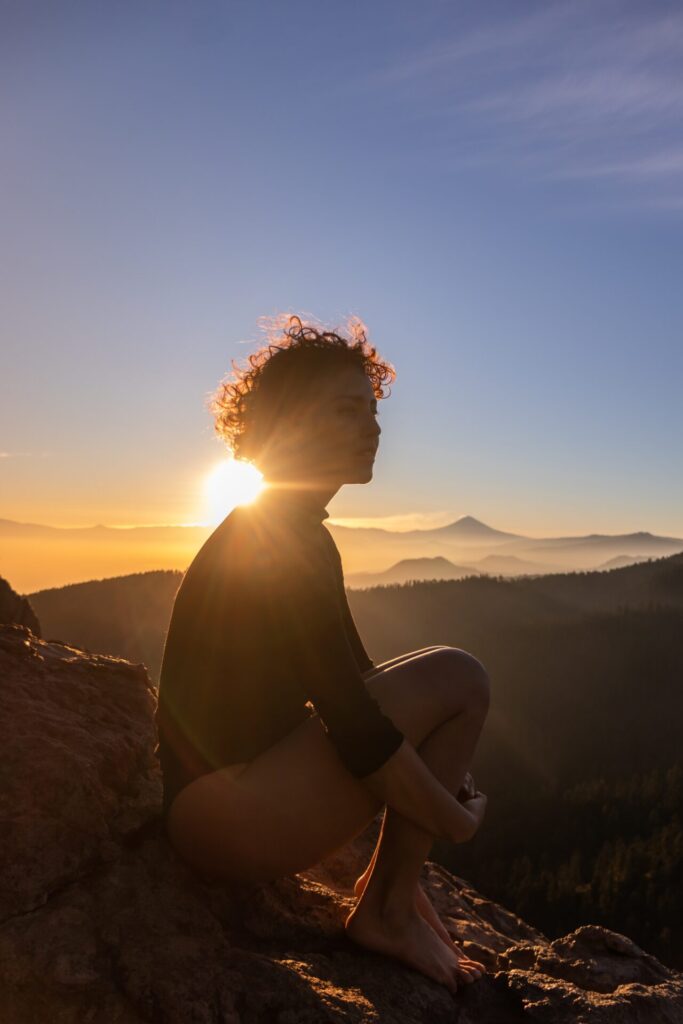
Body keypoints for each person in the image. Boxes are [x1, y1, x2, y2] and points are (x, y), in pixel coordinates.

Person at [156, 315, 490, 996]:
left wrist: (434, 783)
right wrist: (450, 820)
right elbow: (355, 725)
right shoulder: (280, 537)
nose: (372, 429)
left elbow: (360, 682)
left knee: (437, 674)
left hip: (228, 803)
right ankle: (387, 913)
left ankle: (387, 892)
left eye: (371, 413)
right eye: (346, 411)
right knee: (459, 676)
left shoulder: (288, 529)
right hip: (225, 816)